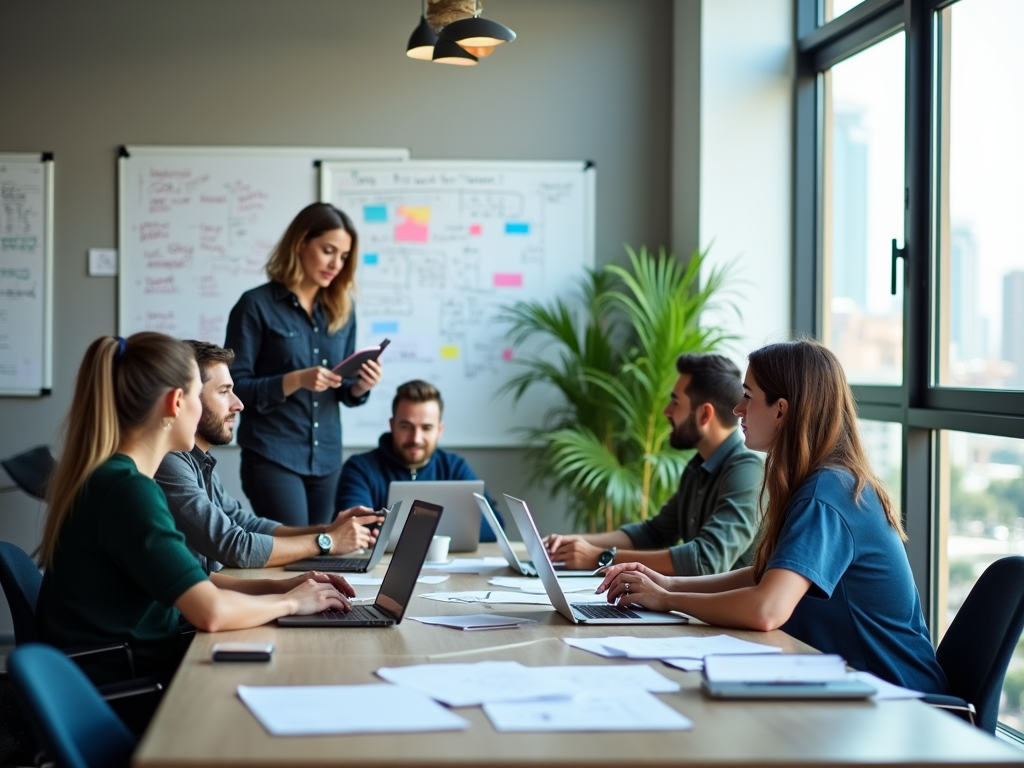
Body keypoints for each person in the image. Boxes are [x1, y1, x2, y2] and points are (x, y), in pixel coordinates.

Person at [598, 340, 949, 694]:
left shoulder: (827, 493)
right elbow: (764, 576)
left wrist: (668, 599)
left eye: (748, 396)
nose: (738, 409)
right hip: (854, 688)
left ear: (781, 410)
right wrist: (668, 584)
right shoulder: (823, 481)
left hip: (901, 700)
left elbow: (766, 608)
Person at [36, 333, 355, 695]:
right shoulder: (128, 490)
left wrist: (280, 586)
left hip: (134, 666)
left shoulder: (116, 477)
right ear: (176, 402)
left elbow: (192, 579)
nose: (233, 405)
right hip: (131, 686)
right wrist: (291, 602)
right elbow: (210, 612)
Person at [156, 341, 384, 574]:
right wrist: (328, 543)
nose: (239, 404)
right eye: (224, 392)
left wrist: (328, 531)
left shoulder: (198, 460)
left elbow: (246, 524)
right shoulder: (168, 462)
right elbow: (234, 546)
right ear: (183, 399)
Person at [225, 202, 382, 528]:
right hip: (272, 455)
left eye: (343, 256)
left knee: (321, 552)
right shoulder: (255, 305)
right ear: (300, 243)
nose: (336, 264)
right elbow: (235, 388)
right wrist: (295, 379)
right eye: (328, 251)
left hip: (326, 459)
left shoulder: (343, 309)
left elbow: (342, 391)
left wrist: (361, 386)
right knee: (293, 552)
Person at [543, 353, 762, 575]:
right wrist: (573, 544)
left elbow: (704, 560)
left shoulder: (748, 470)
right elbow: (653, 534)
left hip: (716, 609)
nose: (666, 411)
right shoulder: (698, 468)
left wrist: (602, 558)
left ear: (705, 414)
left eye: (675, 402)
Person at [335, 380, 501, 542]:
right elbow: (352, 527)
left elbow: (496, 528)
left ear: (439, 430)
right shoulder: (360, 468)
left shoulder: (455, 467)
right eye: (406, 426)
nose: (416, 438)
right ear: (392, 425)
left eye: (426, 428)